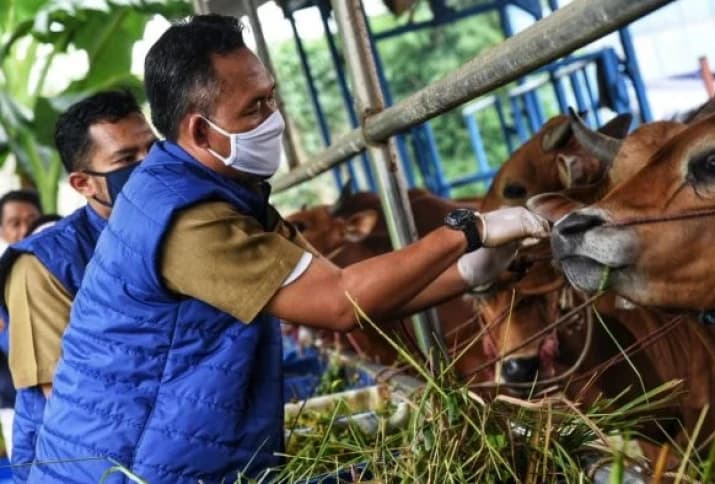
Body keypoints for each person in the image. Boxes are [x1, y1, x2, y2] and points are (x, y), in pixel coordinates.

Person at [30, 15, 549, 483]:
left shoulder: (223, 192)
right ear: (199, 129)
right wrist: (466, 230)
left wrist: (470, 271)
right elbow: (341, 304)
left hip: (168, 454)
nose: (274, 117)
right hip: (127, 469)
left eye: (271, 97)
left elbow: (350, 293)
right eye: (254, 107)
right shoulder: (185, 218)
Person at [0, 90, 155, 482]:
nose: (149, 166)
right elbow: (72, 402)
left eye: (153, 149)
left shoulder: (174, 232)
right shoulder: (40, 265)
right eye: (126, 160)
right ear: (83, 183)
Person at [0, 189, 42, 458]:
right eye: (15, 223)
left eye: (31, 220)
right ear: (2, 230)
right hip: (12, 396)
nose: (25, 229)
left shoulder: (63, 266)